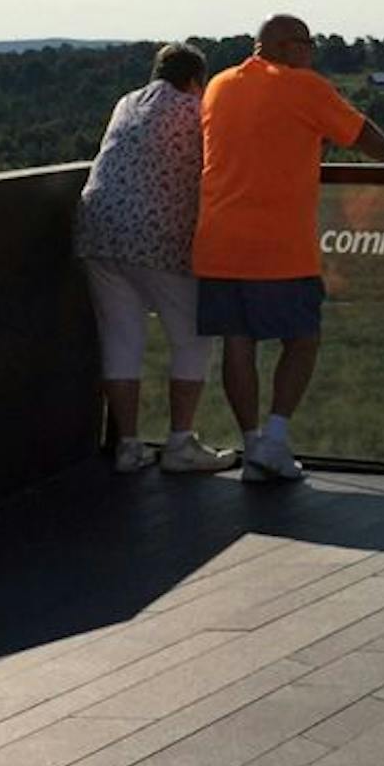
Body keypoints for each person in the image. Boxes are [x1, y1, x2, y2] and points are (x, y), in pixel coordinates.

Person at [194, 13, 384, 481]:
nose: (311, 53)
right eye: (307, 44)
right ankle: (276, 440)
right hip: (279, 245)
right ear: (285, 45)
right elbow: (358, 132)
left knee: (237, 345)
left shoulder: (219, 84)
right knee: (302, 339)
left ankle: (253, 446)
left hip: (218, 240)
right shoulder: (303, 86)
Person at [76, 43, 238, 474]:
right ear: (194, 80)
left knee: (121, 338)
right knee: (192, 337)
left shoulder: (127, 102)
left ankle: (128, 446)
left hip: (97, 231)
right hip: (157, 238)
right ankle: (180, 443)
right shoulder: (195, 110)